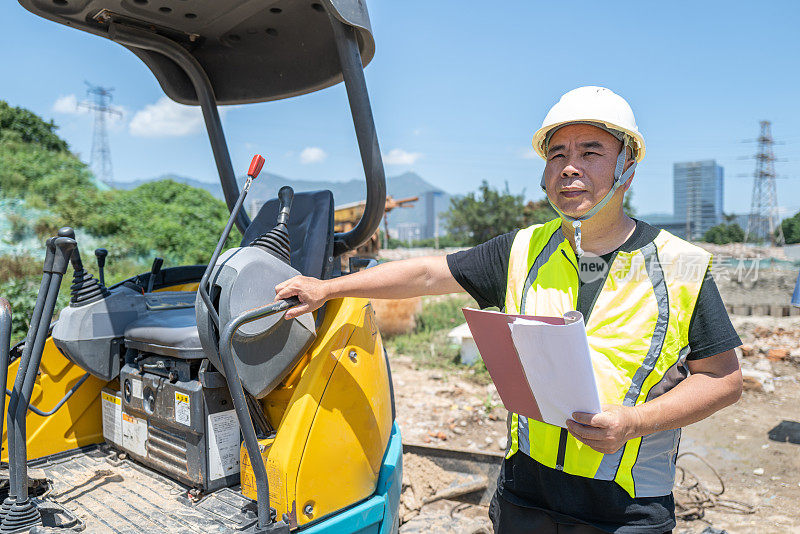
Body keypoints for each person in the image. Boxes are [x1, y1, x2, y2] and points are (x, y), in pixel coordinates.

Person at [275, 86, 743, 534]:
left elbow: (723, 379)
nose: (569, 168)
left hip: (624, 508)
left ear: (628, 167)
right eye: (557, 153)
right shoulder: (521, 250)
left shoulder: (680, 266)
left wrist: (635, 422)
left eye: (591, 152)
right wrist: (328, 287)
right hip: (527, 492)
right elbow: (426, 275)